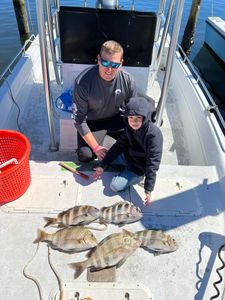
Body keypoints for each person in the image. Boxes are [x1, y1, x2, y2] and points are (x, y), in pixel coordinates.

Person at [72, 40, 137, 162]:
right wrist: (96, 147)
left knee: (134, 150)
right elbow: (79, 120)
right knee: (85, 155)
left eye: (114, 65)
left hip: (117, 120)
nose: (109, 69)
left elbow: (132, 112)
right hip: (92, 123)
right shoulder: (82, 83)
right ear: (98, 59)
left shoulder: (128, 80)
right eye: (105, 62)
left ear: (121, 64)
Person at [92, 96, 163, 206]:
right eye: (130, 118)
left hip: (138, 167)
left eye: (138, 118)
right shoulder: (128, 128)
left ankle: (138, 178)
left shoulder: (154, 135)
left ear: (144, 118)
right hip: (127, 156)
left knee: (114, 186)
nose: (133, 122)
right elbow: (118, 146)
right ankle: (118, 168)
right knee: (103, 155)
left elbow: (153, 164)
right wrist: (103, 166)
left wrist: (148, 190)